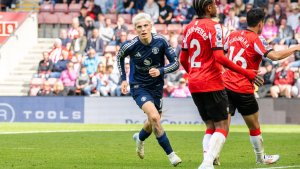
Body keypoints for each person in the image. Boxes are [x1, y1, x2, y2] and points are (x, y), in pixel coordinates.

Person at [179, 0, 261, 168]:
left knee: (210, 125)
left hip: (194, 83)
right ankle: (207, 162)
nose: (217, 7)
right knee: (222, 125)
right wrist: (247, 72)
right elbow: (220, 57)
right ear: (208, 8)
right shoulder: (216, 27)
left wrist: (194, 74)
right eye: (215, 4)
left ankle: (208, 159)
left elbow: (182, 59)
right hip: (212, 82)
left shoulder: (188, 28)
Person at [223, 8, 300, 165]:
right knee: (254, 125)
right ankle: (260, 158)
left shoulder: (233, 35)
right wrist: (296, 47)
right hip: (242, 88)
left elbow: (223, 55)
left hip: (225, 85)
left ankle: (211, 156)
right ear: (260, 24)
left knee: (222, 126)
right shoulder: (257, 39)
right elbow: (275, 56)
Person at [117, 13, 182, 166]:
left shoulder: (161, 41)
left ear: (151, 26)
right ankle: (172, 155)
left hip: (157, 86)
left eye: (146, 26)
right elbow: (119, 57)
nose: (143, 29)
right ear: (135, 29)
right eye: (139, 27)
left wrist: (161, 70)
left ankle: (139, 139)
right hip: (138, 86)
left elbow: (176, 63)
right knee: (154, 117)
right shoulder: (130, 45)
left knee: (153, 120)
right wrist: (123, 80)